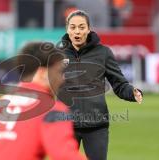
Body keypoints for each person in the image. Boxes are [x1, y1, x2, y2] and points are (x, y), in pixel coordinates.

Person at [0, 42, 86, 160]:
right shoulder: (51, 109)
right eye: (59, 72)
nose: (62, 79)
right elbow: (64, 156)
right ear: (43, 74)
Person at [58, 10, 143, 160]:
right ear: (67, 29)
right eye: (73, 27)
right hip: (64, 126)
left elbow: (119, 83)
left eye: (81, 27)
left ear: (89, 29)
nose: (77, 31)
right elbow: (44, 85)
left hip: (97, 126)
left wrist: (132, 92)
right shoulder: (56, 55)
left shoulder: (103, 53)